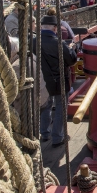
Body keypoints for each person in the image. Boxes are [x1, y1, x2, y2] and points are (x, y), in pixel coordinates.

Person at [35, 15, 78, 147]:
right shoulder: (58, 43)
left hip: (42, 80)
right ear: (55, 28)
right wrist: (71, 48)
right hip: (58, 80)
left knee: (45, 106)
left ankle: (44, 133)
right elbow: (72, 60)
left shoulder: (33, 41)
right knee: (60, 107)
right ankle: (57, 137)